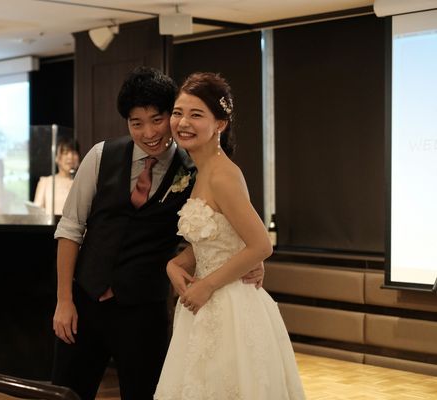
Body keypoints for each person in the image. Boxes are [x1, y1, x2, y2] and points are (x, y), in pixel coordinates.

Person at [51, 66, 264, 400]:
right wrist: (64, 300)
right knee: (66, 394)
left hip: (143, 310)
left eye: (157, 119)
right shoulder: (100, 156)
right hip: (85, 303)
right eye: (136, 123)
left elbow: (219, 230)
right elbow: (70, 229)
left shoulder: (195, 171)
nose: (148, 132)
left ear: (170, 118)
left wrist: (248, 258)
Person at [154, 72, 305, 399]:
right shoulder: (201, 171)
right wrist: (174, 265)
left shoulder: (222, 176)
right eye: (178, 113)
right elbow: (215, 240)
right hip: (204, 302)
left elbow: (260, 244)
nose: (183, 122)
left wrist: (207, 285)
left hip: (228, 305)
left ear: (220, 124)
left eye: (196, 115)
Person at [33, 139, 80, 215]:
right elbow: (36, 214)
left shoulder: (84, 183)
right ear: (56, 158)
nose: (70, 157)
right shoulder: (46, 182)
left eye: (74, 153)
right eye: (65, 153)